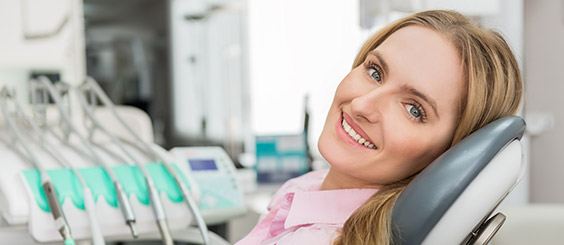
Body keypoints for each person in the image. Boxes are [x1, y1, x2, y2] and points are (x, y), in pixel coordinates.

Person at [236, 9, 522, 245]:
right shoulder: (307, 187)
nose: (362, 105)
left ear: (449, 156)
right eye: (375, 72)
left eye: (414, 110)